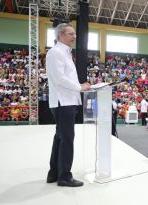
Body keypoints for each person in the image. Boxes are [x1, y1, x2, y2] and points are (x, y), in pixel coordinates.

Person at [46, 23, 91, 187]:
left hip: (66, 100)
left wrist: (80, 85)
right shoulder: (56, 53)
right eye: (70, 34)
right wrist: (79, 87)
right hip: (62, 101)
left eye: (74, 34)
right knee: (67, 139)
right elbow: (59, 79)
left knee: (60, 137)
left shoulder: (64, 53)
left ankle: (54, 173)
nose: (74, 36)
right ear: (61, 35)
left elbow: (66, 78)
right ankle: (64, 176)